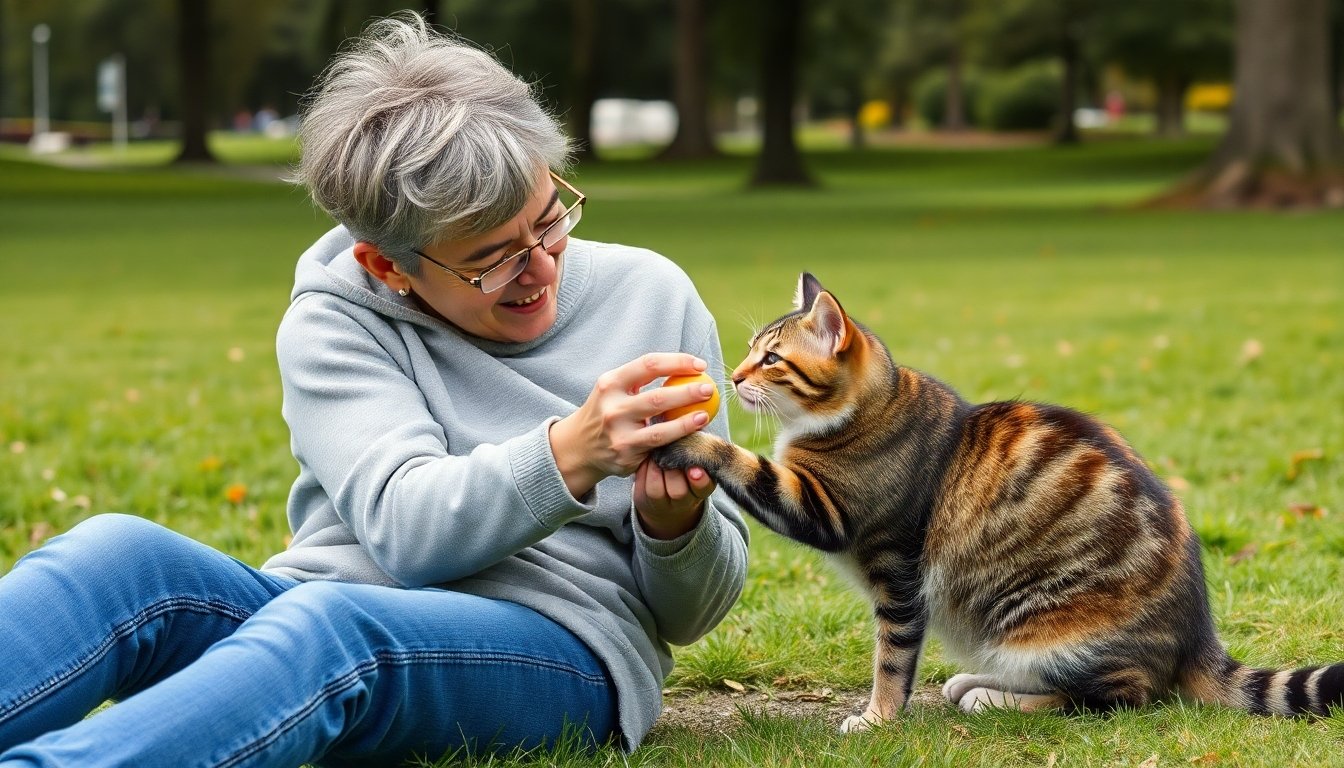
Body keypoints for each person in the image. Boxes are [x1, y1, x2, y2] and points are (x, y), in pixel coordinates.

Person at [0, 13, 747, 767]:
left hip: (557, 644)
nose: (543, 268)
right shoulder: (334, 316)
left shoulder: (652, 298)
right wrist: (572, 453)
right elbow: (407, 528)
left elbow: (693, 615)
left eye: (550, 221)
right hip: (324, 612)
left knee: (333, 631)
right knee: (118, 557)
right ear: (388, 266)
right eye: (492, 260)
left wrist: (673, 525)